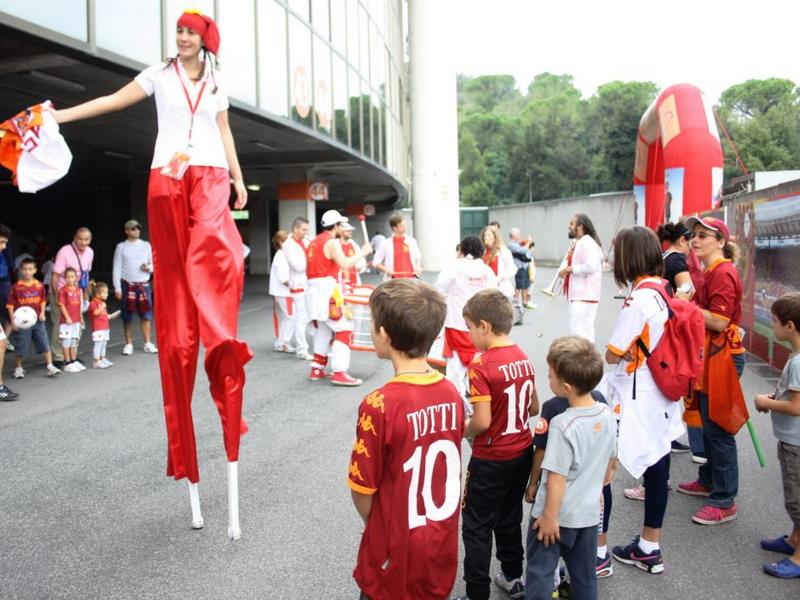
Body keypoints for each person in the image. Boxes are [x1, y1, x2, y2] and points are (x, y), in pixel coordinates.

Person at [49, 11, 255, 503]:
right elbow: (112, 102)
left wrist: (239, 177)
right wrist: (61, 116)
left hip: (208, 176)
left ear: (204, 40)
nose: (182, 38)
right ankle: (186, 323)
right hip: (166, 177)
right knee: (176, 273)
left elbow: (224, 132)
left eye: (190, 32)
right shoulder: (158, 75)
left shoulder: (218, 82)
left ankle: (218, 328)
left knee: (213, 240)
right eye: (178, 31)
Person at [348, 279, 464, 600]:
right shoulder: (450, 392)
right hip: (438, 539)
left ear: (383, 334)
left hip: (395, 551)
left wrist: (382, 525)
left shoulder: (380, 403)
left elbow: (362, 489)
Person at [603, 226, 684, 574]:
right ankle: (650, 546)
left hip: (636, 392)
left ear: (627, 256)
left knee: (603, 468)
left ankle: (595, 554)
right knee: (658, 462)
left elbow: (612, 353)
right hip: (661, 388)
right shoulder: (662, 288)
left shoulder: (639, 298)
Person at [454, 289, 538, 600]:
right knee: (509, 515)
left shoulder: (481, 364)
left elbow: (483, 421)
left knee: (476, 525)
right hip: (521, 452)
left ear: (484, 326)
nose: (470, 335)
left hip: (491, 456)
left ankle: (477, 592)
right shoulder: (523, 357)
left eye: (470, 328)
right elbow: (533, 408)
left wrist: (463, 430)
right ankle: (513, 576)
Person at [525, 336, 616, 600]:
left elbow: (556, 477)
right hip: (587, 515)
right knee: (584, 576)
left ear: (565, 387)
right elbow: (610, 465)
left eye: (550, 375)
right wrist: (595, 491)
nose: (548, 379)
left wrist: (550, 517)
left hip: (555, 516)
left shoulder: (563, 425)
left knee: (541, 574)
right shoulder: (607, 415)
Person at [677, 217, 746, 525]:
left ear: (720, 241)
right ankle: (708, 481)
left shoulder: (724, 273)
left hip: (723, 359)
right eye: (694, 235)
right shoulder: (711, 271)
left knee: (718, 430)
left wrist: (684, 306)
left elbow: (719, 321)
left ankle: (724, 499)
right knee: (707, 425)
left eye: (703, 235)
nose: (695, 240)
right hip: (711, 357)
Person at [755, 292, 800, 579]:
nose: (772, 325)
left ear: (790, 326)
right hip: (791, 441)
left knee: (797, 501)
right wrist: (777, 395)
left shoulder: (798, 362)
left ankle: (799, 558)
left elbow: (797, 406)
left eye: (773, 321)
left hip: (796, 443)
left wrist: (766, 402)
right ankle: (794, 539)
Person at [306, 209, 371, 386]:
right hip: (326, 290)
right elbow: (345, 264)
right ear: (336, 226)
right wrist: (363, 252)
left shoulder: (313, 242)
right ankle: (340, 372)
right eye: (341, 224)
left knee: (324, 330)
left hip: (313, 290)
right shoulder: (332, 242)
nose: (342, 227)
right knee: (344, 328)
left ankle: (317, 368)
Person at [435, 235, 497, 401]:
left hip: (456, 324)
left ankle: (459, 407)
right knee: (480, 370)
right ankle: (479, 406)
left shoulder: (456, 266)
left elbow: (440, 286)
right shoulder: (486, 270)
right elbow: (494, 294)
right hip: (480, 327)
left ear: (462, 250)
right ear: (480, 251)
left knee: (455, 372)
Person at [656, 221, 697, 457]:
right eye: (691, 241)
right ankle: (669, 436)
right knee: (674, 382)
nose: (693, 246)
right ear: (682, 240)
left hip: (662, 326)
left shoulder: (664, 257)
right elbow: (687, 289)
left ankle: (668, 435)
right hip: (673, 326)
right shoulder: (677, 259)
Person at [7, 258, 60, 378]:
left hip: (37, 320)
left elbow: (42, 300)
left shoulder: (39, 286)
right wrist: (13, 321)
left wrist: (42, 313)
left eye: (30, 269)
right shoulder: (16, 287)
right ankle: (18, 368)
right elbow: (10, 305)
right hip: (22, 322)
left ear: (35, 270)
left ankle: (50, 366)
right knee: (21, 344)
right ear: (21, 270)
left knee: (44, 342)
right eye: (25, 269)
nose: (27, 272)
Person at [49, 228, 93, 366]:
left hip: (77, 292)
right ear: (74, 238)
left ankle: (72, 356)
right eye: (80, 239)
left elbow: (85, 274)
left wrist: (85, 293)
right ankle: (58, 357)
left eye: (86, 239)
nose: (83, 242)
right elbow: (55, 276)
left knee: (76, 324)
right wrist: (57, 297)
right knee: (60, 325)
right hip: (61, 291)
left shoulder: (90, 252)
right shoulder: (64, 251)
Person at [112, 219, 157, 356]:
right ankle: (128, 343)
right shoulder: (121, 247)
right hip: (128, 285)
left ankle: (147, 342)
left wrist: (148, 268)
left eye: (137, 228)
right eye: (132, 229)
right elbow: (117, 268)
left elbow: (154, 265)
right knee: (127, 316)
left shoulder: (146, 245)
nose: (136, 230)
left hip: (143, 284)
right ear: (126, 231)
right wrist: (117, 288)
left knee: (146, 315)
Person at [558, 214, 603, 343]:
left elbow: (590, 266)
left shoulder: (587, 242)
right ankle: (589, 361)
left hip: (584, 296)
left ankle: (584, 361)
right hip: (583, 296)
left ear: (580, 227)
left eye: (571, 224)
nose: (569, 227)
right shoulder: (582, 242)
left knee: (577, 333)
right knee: (585, 333)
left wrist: (570, 269)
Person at [282, 217, 312, 360]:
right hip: (298, 285)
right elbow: (298, 266)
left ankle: (319, 348)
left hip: (310, 284)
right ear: (295, 228)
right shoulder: (288, 244)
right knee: (301, 318)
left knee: (312, 317)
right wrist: (313, 260)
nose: (306, 232)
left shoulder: (307, 241)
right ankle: (302, 350)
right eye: (303, 230)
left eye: (307, 229)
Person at [373, 213, 421, 280]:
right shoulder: (386, 243)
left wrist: (418, 267)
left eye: (405, 224)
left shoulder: (411, 241)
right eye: (401, 225)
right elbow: (376, 261)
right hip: (393, 280)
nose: (405, 226)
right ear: (394, 228)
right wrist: (386, 270)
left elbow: (418, 257)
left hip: (411, 279)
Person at [269, 230, 295, 353]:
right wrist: (297, 285)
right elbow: (283, 279)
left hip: (282, 292)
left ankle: (281, 342)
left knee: (288, 317)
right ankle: (283, 342)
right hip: (285, 292)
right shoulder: (281, 256)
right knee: (292, 316)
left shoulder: (282, 254)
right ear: (281, 242)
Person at [58, 267, 85, 373]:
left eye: (72, 276)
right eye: (68, 277)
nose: (70, 279)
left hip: (76, 319)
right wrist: (67, 317)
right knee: (67, 340)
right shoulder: (63, 290)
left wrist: (81, 317)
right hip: (67, 321)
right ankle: (67, 361)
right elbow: (62, 305)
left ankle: (74, 360)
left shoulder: (79, 291)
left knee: (74, 340)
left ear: (76, 278)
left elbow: (80, 306)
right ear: (65, 278)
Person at [88, 282, 120, 369]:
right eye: (105, 293)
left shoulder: (101, 303)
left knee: (104, 343)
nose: (107, 294)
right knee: (98, 344)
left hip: (104, 327)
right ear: (98, 294)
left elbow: (104, 315)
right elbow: (95, 313)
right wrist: (102, 307)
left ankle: (103, 358)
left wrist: (111, 315)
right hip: (98, 328)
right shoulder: (93, 303)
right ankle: (96, 361)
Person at [480, 226, 516, 298]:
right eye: (485, 235)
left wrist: (500, 278)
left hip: (501, 290)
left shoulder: (503, 251)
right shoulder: (483, 251)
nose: (486, 238)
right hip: (486, 290)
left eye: (488, 235)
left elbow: (512, 269)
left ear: (495, 237)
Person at [507, 228, 534, 309]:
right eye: (518, 234)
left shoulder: (518, 243)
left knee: (526, 285)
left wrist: (527, 243)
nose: (519, 235)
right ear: (513, 235)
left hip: (525, 266)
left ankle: (524, 302)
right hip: (519, 268)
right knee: (519, 285)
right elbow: (523, 250)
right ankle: (515, 301)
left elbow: (528, 252)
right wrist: (529, 242)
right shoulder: (511, 244)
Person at [339, 222, 366, 291]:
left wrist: (361, 267)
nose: (350, 232)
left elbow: (360, 260)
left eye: (351, 230)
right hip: (340, 283)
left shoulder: (353, 244)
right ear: (341, 231)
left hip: (354, 281)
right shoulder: (335, 244)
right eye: (347, 231)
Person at [0, 224, 14, 341]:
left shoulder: (2, 252)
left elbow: (11, 265)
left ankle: (3, 340)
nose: (4, 246)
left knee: (10, 315)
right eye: (2, 242)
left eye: (6, 243)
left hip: (4, 282)